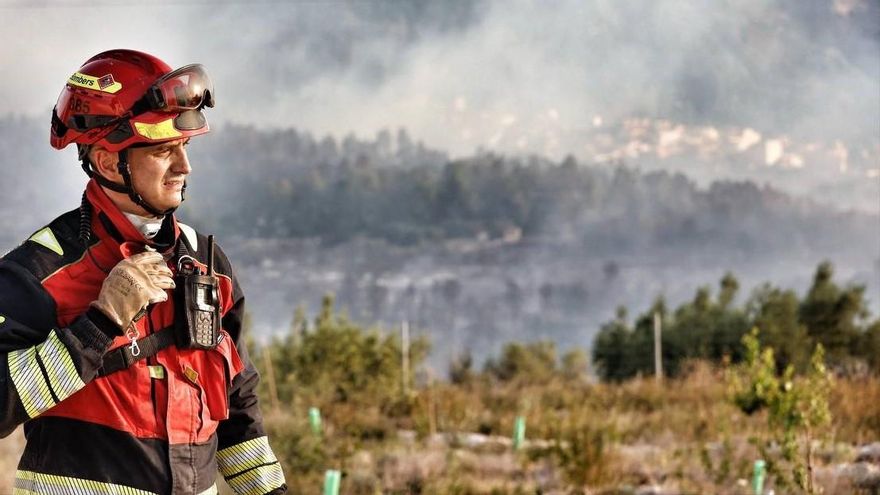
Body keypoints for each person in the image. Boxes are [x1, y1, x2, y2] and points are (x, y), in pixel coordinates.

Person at [0, 49, 287, 494]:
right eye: (163, 151)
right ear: (110, 162)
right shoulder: (38, 273)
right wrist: (98, 326)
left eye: (185, 147)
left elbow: (238, 403)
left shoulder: (208, 264)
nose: (184, 167)